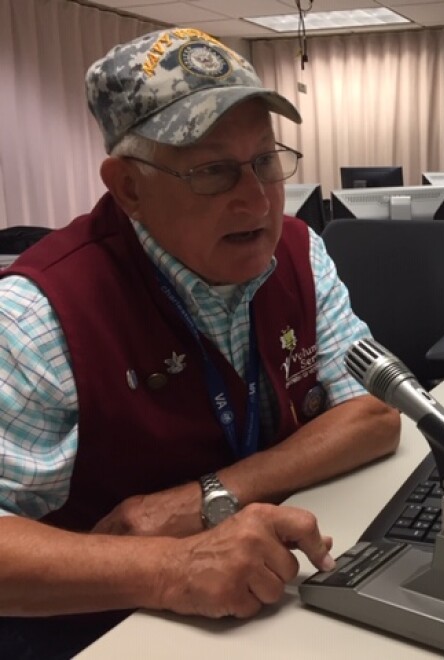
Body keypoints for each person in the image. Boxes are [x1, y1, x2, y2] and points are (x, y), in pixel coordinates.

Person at [0, 28, 401, 657]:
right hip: (99, 631)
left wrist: (211, 497)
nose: (259, 198)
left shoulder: (299, 251)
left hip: (270, 601)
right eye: (213, 171)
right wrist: (171, 568)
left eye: (265, 161)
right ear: (128, 186)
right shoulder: (38, 313)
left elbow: (374, 415)